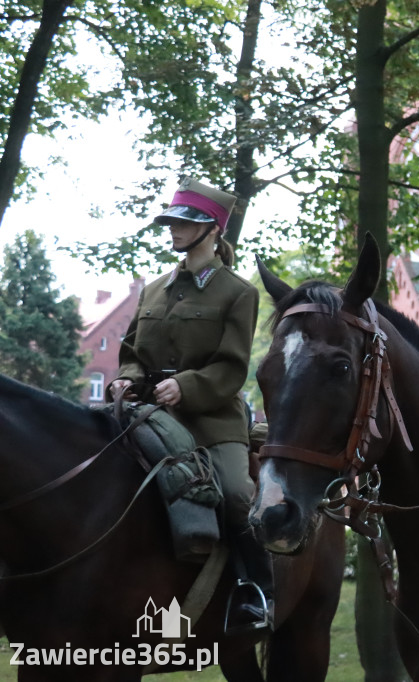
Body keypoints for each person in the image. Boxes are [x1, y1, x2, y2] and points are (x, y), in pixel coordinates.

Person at [108, 177, 271, 634]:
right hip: (145, 412)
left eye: (183, 222)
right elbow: (131, 353)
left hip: (211, 419)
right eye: (171, 221)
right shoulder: (154, 288)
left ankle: (256, 591)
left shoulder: (239, 292)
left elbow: (232, 368)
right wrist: (126, 380)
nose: (173, 229)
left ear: (212, 229)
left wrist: (188, 387)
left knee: (239, 496)